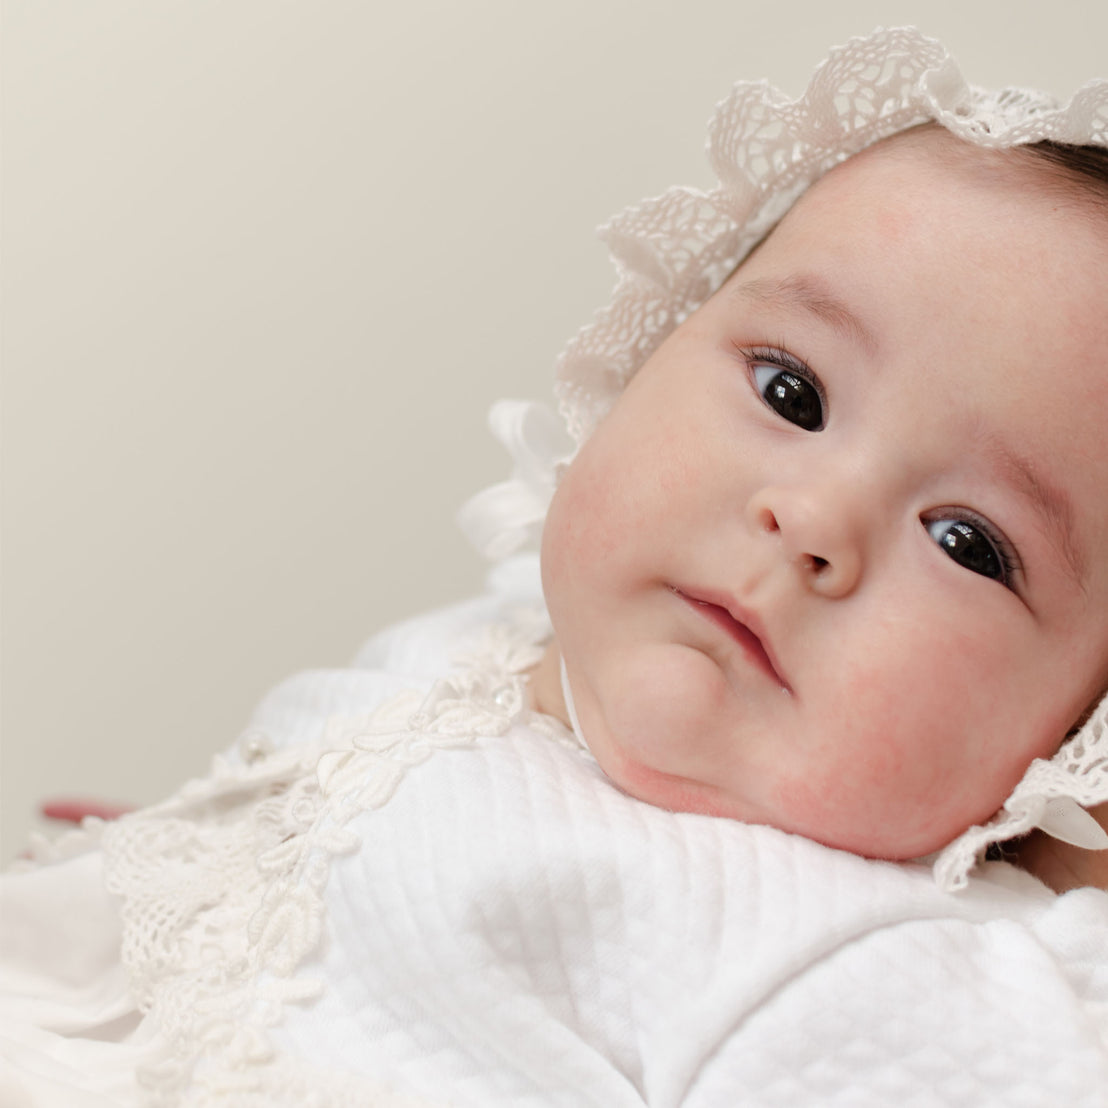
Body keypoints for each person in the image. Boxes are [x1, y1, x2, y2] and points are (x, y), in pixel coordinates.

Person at [3, 26, 1108, 1107]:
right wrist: (215, 890)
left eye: (969, 542)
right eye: (791, 393)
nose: (812, 519)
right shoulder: (519, 638)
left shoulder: (852, 974)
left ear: (1071, 747)